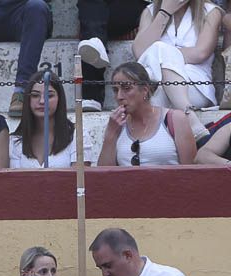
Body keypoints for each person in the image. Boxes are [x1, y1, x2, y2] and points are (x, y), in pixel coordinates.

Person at [130, 0, 220, 136]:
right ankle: (190, 120)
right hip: (158, 86)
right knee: (157, 88)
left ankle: (146, 138)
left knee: (159, 48)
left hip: (195, 85)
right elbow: (139, 51)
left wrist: (164, 54)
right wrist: (164, 12)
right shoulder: (150, 11)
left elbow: (200, 52)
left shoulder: (211, 11)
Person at [98, 62, 196, 165]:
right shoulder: (117, 125)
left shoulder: (174, 119)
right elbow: (104, 175)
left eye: (126, 88)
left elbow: (190, 173)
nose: (119, 96)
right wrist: (110, 134)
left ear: (144, 90)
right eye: (115, 90)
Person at [76, 0, 150, 111]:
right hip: (96, 9)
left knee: (92, 22)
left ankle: (91, 95)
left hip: (130, 7)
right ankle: (95, 41)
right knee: (92, 9)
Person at [9, 72, 78, 168]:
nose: (42, 101)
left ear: (59, 98)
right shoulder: (15, 141)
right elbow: (14, 180)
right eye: (35, 95)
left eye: (49, 96)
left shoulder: (77, 136)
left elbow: (80, 179)